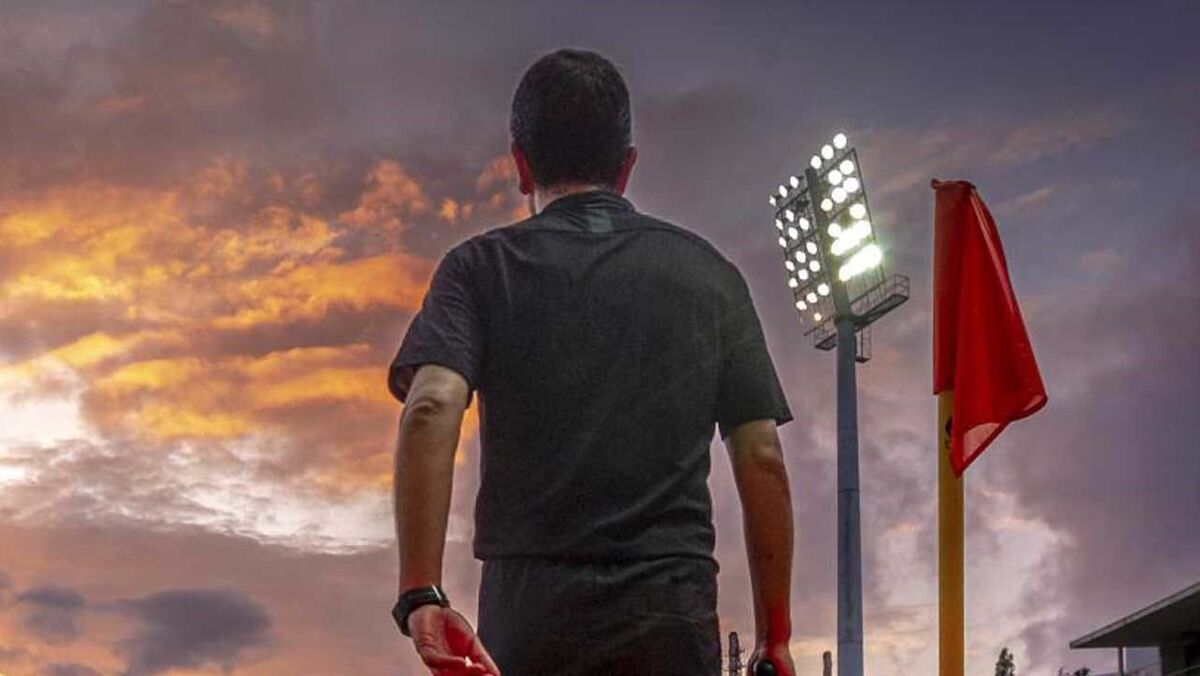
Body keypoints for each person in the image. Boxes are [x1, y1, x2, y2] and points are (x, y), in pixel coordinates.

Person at [389, 48, 796, 676]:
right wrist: (776, 636)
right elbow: (762, 454)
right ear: (626, 167)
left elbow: (431, 406)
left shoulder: (478, 268)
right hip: (671, 614)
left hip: (531, 615)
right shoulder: (711, 276)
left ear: (521, 164)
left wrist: (421, 592)